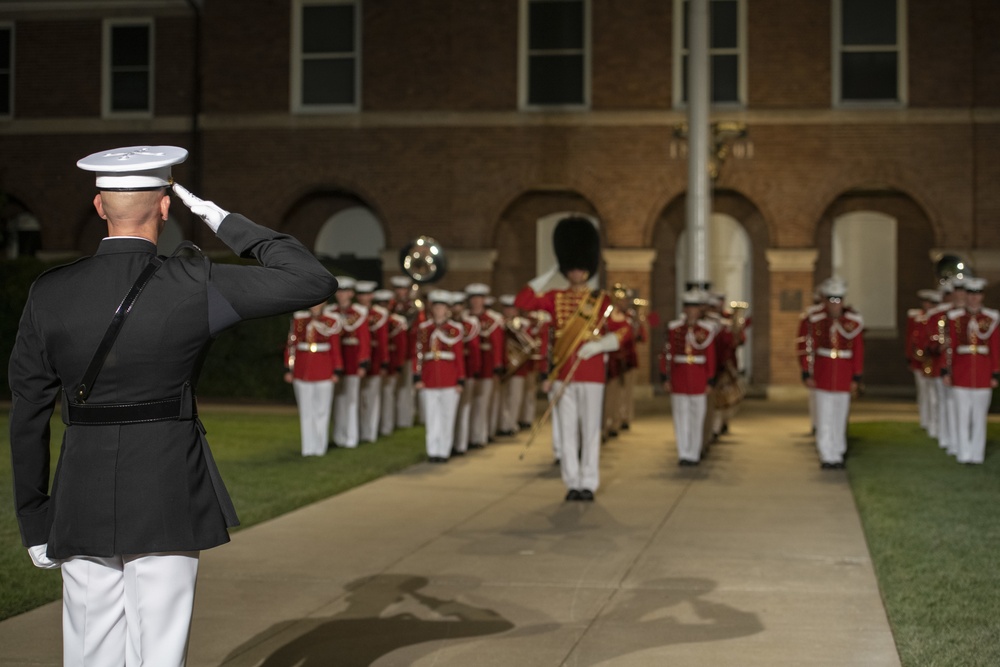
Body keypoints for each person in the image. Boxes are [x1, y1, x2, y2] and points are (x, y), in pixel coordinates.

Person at [7, 145, 337, 666]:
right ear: (166, 207)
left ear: (99, 207)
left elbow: (28, 410)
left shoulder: (49, 292)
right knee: (159, 648)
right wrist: (219, 217)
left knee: (88, 648)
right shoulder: (194, 282)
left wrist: (33, 515)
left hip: (81, 489)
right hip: (165, 478)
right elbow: (313, 280)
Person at [515, 216, 627, 501]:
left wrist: (601, 345)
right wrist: (550, 271)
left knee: (590, 430)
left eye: (580, 268)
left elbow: (625, 329)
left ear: (587, 269)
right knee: (566, 431)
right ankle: (571, 482)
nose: (576, 273)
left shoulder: (601, 301)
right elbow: (523, 301)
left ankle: (588, 482)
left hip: (591, 372)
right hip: (563, 373)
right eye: (571, 267)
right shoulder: (554, 297)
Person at [800, 277, 864, 469]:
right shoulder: (815, 320)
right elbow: (807, 347)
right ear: (825, 300)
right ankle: (826, 454)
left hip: (844, 373)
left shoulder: (853, 322)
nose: (835, 304)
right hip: (822, 372)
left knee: (839, 416)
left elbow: (858, 350)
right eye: (832, 299)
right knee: (824, 415)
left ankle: (838, 452)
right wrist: (806, 372)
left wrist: (856, 375)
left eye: (839, 300)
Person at [942, 277, 999, 464]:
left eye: (978, 294)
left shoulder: (991, 318)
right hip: (961, 371)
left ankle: (976, 454)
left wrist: (995, 373)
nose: (974, 298)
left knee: (979, 417)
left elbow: (996, 347)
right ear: (965, 296)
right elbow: (949, 346)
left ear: (982, 296)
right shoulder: (955, 318)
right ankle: (963, 453)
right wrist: (946, 371)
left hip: (983, 373)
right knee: (962, 414)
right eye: (970, 294)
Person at [659, 288, 718, 466]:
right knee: (680, 416)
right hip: (679, 376)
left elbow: (710, 356)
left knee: (697, 417)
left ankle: (694, 452)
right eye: (688, 307)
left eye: (694, 307)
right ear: (684, 309)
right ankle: (683, 452)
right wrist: (665, 377)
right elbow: (667, 353)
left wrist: (710, 379)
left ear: (699, 310)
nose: (691, 310)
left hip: (698, 377)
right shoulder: (674, 328)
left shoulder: (707, 330)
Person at [413, 290, 466, 462]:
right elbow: (419, 353)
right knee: (431, 416)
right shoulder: (424, 328)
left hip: (449, 379)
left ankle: (444, 451)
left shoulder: (455, 329)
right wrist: (417, 376)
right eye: (436, 306)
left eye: (442, 307)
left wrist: (460, 379)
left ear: (447, 309)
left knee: (447, 416)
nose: (439, 310)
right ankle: (432, 451)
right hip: (429, 379)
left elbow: (459, 356)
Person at [284, 301, 343, 456]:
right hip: (302, 369)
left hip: (324, 368)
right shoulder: (299, 319)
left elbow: (335, 346)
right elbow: (291, 343)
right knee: (306, 411)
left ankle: (320, 447)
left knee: (322, 410)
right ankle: (308, 448)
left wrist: (337, 369)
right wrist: (288, 367)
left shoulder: (332, 320)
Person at [328, 277, 370, 448]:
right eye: (339, 291)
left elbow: (364, 340)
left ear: (352, 293)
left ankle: (351, 438)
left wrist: (363, 362)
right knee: (337, 401)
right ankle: (338, 437)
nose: (342, 295)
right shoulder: (331, 312)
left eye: (345, 291)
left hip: (352, 359)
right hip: (335, 361)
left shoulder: (359, 313)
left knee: (352, 400)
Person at [355, 280, 389, 443]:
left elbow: (382, 341)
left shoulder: (379, 314)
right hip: (355, 360)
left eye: (366, 295)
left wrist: (384, 362)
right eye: (361, 295)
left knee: (372, 398)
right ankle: (358, 431)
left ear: (372, 296)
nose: (363, 298)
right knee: (358, 399)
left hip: (374, 359)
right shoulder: (354, 313)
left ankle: (370, 432)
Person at [374, 288, 407, 437]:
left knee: (388, 395)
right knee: (375, 396)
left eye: (386, 303)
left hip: (392, 363)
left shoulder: (397, 321)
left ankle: (387, 426)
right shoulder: (373, 319)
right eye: (380, 303)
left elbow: (401, 345)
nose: (383, 306)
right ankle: (377, 425)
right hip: (375, 362)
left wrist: (398, 364)